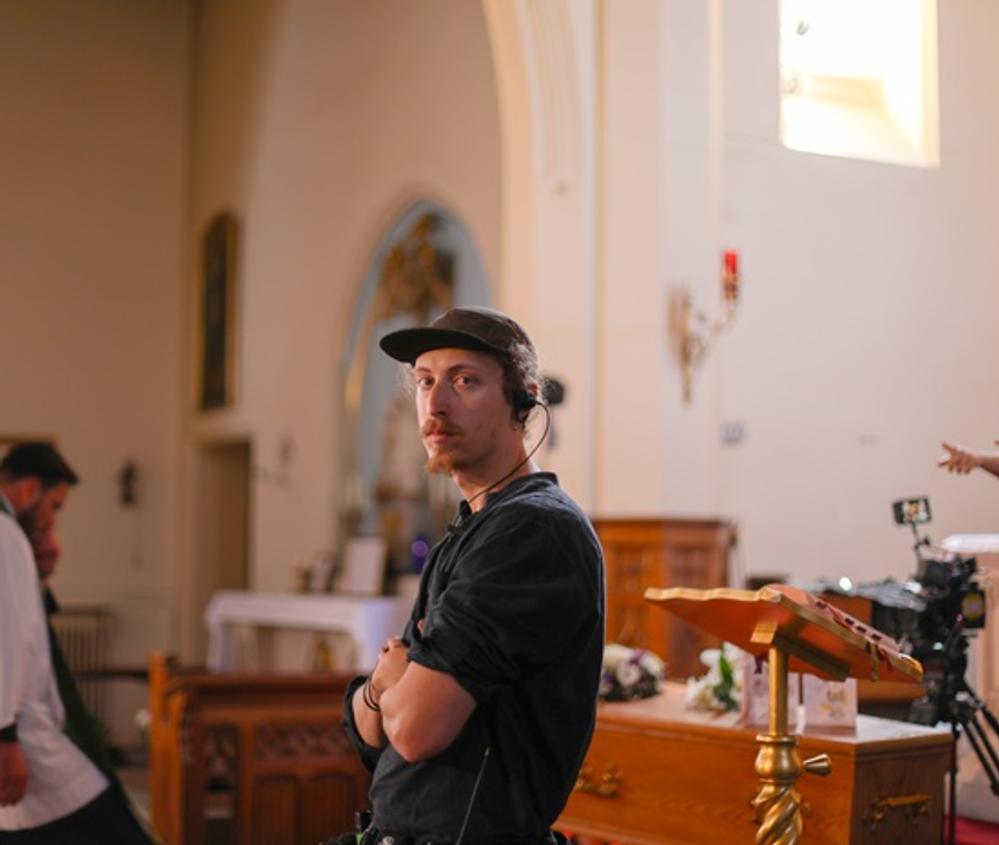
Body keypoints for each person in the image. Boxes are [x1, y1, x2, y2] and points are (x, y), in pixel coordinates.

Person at [338, 307, 605, 845]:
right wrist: (385, 693)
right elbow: (370, 740)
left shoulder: (531, 531)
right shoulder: (473, 529)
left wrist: (392, 684)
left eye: (465, 381)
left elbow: (413, 732)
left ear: (522, 400)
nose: (435, 404)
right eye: (425, 382)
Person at [0, 442, 151, 843]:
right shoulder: (6, 535)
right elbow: (6, 640)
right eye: (55, 506)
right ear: (30, 490)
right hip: (27, 738)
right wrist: (5, 739)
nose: (52, 519)